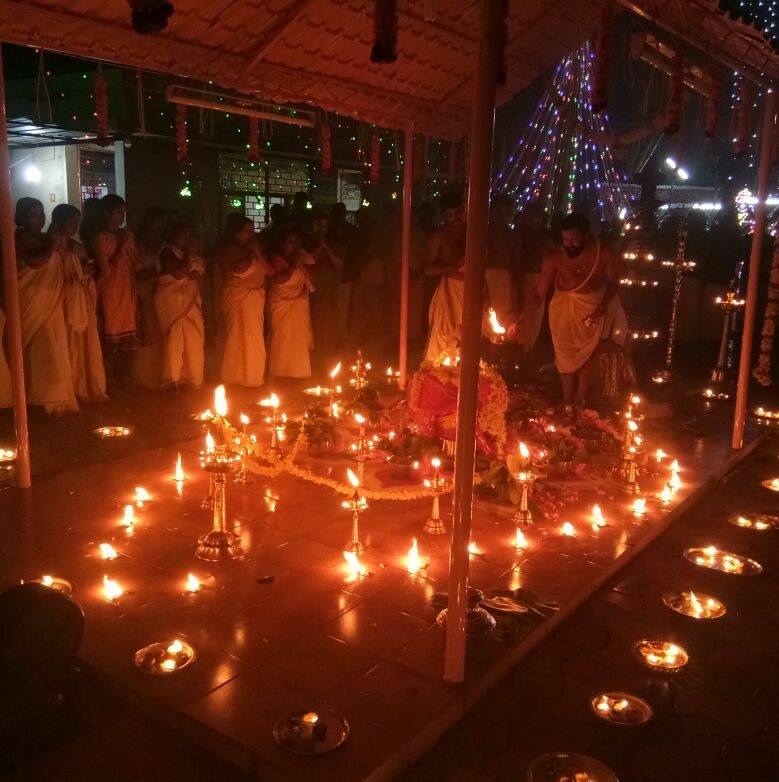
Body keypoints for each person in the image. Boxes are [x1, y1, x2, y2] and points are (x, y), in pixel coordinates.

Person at [522, 212, 626, 408]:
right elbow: (539, 291)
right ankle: (567, 397)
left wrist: (602, 306)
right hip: (562, 307)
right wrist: (524, 316)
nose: (568, 244)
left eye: (574, 239)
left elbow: (613, 283)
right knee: (563, 353)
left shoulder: (603, 254)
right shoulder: (554, 257)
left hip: (592, 306)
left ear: (586, 236)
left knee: (587, 351)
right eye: (565, 239)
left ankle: (580, 397)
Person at [14, 198, 78, 415]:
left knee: (55, 346)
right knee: (39, 348)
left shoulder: (44, 238)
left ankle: (56, 398)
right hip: (32, 299)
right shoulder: (19, 238)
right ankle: (38, 399)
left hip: (51, 301)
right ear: (22, 218)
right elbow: (36, 262)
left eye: (42, 214)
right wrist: (52, 244)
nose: (40, 219)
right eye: (35, 215)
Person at [49, 204, 107, 402]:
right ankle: (67, 388)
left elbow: (87, 269)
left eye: (77, 223)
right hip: (58, 301)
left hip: (79, 301)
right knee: (64, 344)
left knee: (82, 344)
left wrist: (87, 274)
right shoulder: (48, 244)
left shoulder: (77, 246)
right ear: (59, 221)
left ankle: (84, 386)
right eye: (72, 222)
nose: (75, 226)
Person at [83, 194, 138, 386]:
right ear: (107, 213)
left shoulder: (125, 234)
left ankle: (125, 381)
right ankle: (108, 382)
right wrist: (121, 245)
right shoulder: (100, 238)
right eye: (118, 213)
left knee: (128, 343)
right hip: (110, 293)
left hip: (127, 292)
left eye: (124, 212)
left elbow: (134, 263)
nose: (122, 216)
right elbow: (105, 270)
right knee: (110, 340)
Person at [217, 213, 272, 387]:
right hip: (240, 297)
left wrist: (257, 252)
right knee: (239, 336)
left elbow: (270, 272)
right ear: (236, 234)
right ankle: (238, 376)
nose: (251, 234)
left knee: (254, 337)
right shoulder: (231, 249)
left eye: (252, 230)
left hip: (254, 299)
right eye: (247, 231)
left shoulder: (255, 249)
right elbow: (239, 269)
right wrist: (252, 251)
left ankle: (253, 376)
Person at [154, 221, 205, 389]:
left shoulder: (189, 253)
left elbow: (198, 272)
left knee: (193, 337)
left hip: (190, 301)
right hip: (172, 301)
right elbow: (177, 273)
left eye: (189, 236)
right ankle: (171, 379)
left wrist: (195, 274)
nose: (187, 239)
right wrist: (188, 258)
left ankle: (191, 378)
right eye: (184, 235)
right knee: (174, 338)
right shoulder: (167, 251)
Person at [424, 191, 466, 362]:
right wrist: (451, 266)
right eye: (449, 214)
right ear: (443, 215)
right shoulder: (440, 236)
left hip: (471, 291)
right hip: (450, 289)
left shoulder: (472, 233)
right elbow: (427, 268)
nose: (454, 218)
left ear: (463, 211)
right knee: (445, 336)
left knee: (470, 337)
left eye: (457, 213)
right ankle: (441, 380)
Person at [268, 227, 314, 378]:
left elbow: (313, 278)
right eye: (290, 242)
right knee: (283, 337)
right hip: (282, 304)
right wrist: (295, 264)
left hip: (298, 303)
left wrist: (301, 263)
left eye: (296, 242)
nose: (294, 245)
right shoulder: (277, 258)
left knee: (298, 339)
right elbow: (279, 280)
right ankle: (280, 372)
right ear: (282, 243)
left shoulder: (303, 257)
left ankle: (298, 372)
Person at [132, 206, 168, 388]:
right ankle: (143, 377)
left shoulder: (160, 242)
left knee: (158, 332)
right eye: (160, 221)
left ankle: (157, 375)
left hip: (158, 292)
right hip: (144, 291)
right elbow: (134, 272)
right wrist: (158, 274)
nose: (162, 225)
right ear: (150, 221)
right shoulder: (138, 243)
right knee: (147, 329)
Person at [305, 211, 342, 368]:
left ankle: (326, 353)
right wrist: (318, 249)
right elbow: (306, 262)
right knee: (312, 321)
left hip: (328, 289)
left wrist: (326, 248)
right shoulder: (306, 242)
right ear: (313, 225)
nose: (322, 229)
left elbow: (339, 264)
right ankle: (313, 353)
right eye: (319, 226)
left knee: (327, 322)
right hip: (311, 289)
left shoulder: (332, 243)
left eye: (325, 226)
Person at [515, 202, 553, 352]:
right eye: (529, 217)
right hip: (520, 275)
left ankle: (526, 347)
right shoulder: (519, 234)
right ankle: (514, 344)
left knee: (532, 313)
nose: (532, 221)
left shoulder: (543, 238)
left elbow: (548, 260)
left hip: (537, 278)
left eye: (536, 218)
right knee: (517, 309)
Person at [486, 194, 520, 326]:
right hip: (482, 275)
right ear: (492, 212)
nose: (501, 216)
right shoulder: (482, 231)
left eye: (505, 212)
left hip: (503, 280)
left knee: (501, 318)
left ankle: (498, 344)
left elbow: (515, 262)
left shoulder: (513, 236)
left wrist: (517, 287)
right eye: (498, 211)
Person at [327, 203, 357, 344]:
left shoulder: (351, 231)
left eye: (341, 213)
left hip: (345, 275)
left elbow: (354, 252)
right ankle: (331, 336)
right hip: (329, 277)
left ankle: (342, 338)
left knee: (344, 308)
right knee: (331, 308)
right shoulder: (328, 232)